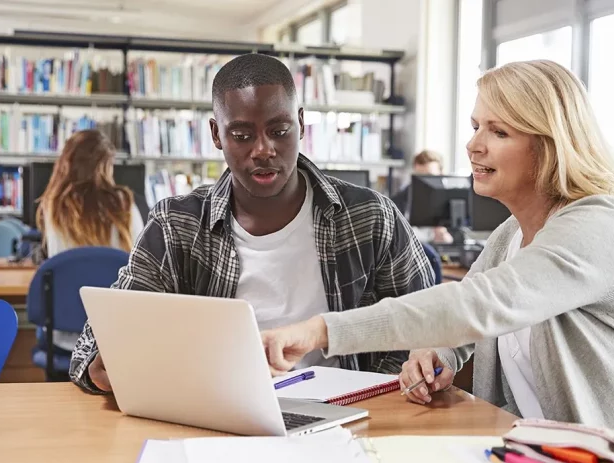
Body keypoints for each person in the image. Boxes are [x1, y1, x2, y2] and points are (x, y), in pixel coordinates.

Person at [261, 60, 614, 463]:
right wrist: (437, 355)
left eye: (499, 132)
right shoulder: (511, 235)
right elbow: (463, 324)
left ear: (551, 145)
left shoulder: (601, 223)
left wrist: (322, 331)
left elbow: (478, 305)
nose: (473, 145)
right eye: (476, 125)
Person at [69, 53, 435, 394]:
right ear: (216, 135)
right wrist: (106, 364)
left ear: (302, 124)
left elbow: (429, 323)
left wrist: (373, 390)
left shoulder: (371, 217)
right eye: (242, 136)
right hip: (216, 411)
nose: (263, 150)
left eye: (279, 131)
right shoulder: (176, 224)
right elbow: (91, 346)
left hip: (350, 413)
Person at [36, 129, 144, 352]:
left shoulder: (53, 206)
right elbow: (142, 267)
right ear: (106, 165)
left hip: (64, 338)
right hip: (115, 336)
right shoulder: (125, 205)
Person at [391, 150, 454, 245]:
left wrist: (447, 236)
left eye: (429, 176)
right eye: (419, 177)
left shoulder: (452, 199)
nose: (424, 183)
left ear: (441, 174)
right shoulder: (399, 200)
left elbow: (461, 234)